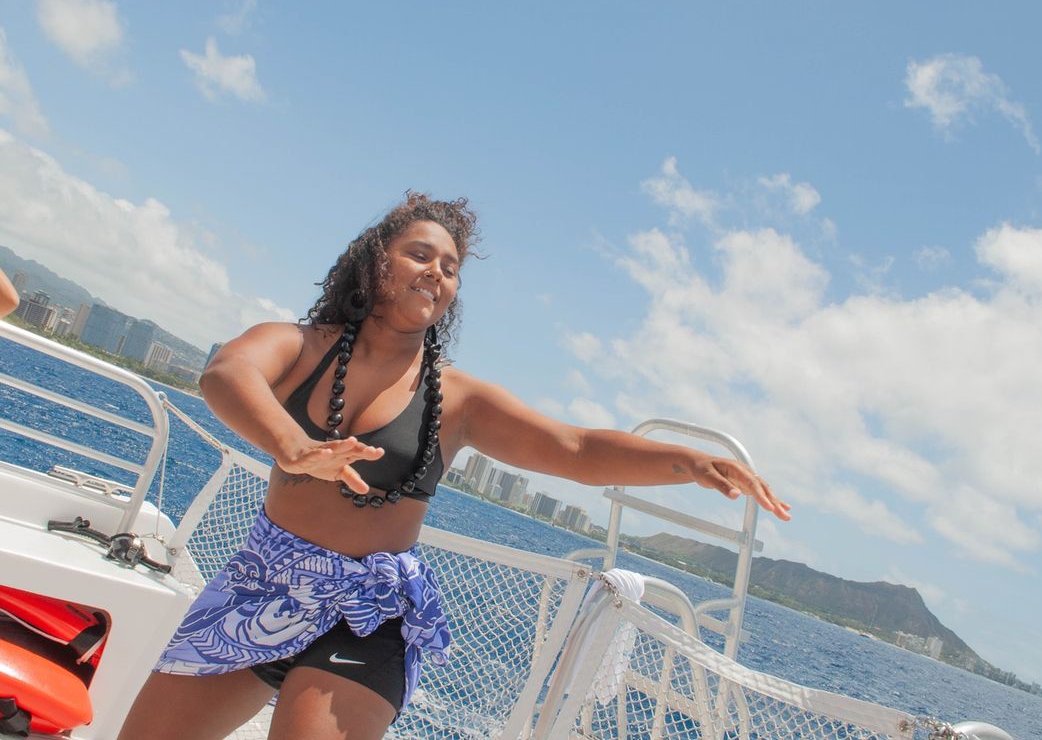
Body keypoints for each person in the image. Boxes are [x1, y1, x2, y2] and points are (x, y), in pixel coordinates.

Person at [118, 192, 790, 740]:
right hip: (261, 585)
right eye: (420, 254)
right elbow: (225, 373)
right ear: (374, 262)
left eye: (451, 266)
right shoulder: (296, 345)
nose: (437, 272)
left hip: (369, 612)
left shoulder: (456, 400)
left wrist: (687, 462)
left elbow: (576, 448)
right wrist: (295, 448)